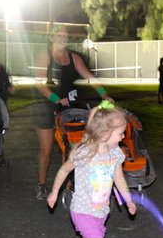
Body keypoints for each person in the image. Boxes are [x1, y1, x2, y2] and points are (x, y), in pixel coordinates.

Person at [47, 101, 136, 238]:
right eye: (121, 133)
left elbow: (119, 180)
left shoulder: (115, 154)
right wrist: (54, 192)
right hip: (82, 210)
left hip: (100, 212)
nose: (123, 137)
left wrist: (128, 199)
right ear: (105, 134)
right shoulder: (84, 152)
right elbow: (63, 171)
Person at [34, 25, 113, 200]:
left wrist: (104, 94)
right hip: (45, 107)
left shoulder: (73, 58)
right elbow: (39, 83)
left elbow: (90, 77)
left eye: (65, 36)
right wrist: (56, 99)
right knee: (46, 150)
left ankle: (68, 184)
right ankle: (41, 184)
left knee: (69, 147)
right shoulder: (45, 55)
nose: (62, 38)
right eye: (59, 35)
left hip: (67, 107)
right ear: (52, 38)